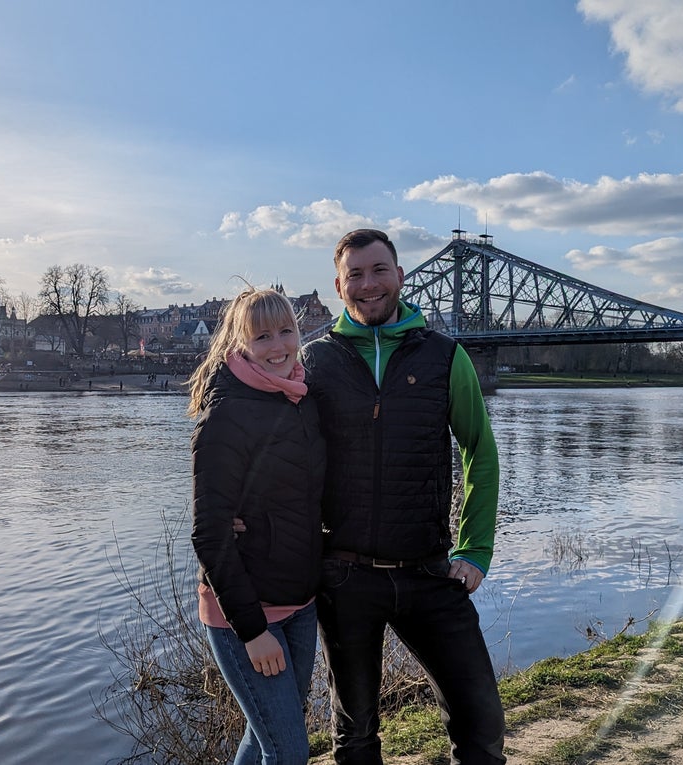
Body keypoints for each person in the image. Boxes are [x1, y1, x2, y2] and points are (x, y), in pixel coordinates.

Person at [301, 229, 505, 764]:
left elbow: (479, 451)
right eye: (356, 275)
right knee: (357, 737)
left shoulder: (444, 355)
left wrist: (475, 549)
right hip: (344, 576)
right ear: (339, 286)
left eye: (379, 270)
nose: (369, 284)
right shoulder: (312, 362)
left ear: (401, 275)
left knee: (480, 723)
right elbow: (276, 456)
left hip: (428, 570)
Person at [189, 286, 326, 764]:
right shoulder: (225, 416)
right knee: (288, 751)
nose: (279, 345)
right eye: (262, 335)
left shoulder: (302, 400)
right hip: (246, 614)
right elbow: (209, 533)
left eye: (286, 330)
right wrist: (251, 630)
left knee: (267, 734)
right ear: (240, 343)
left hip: (301, 601)